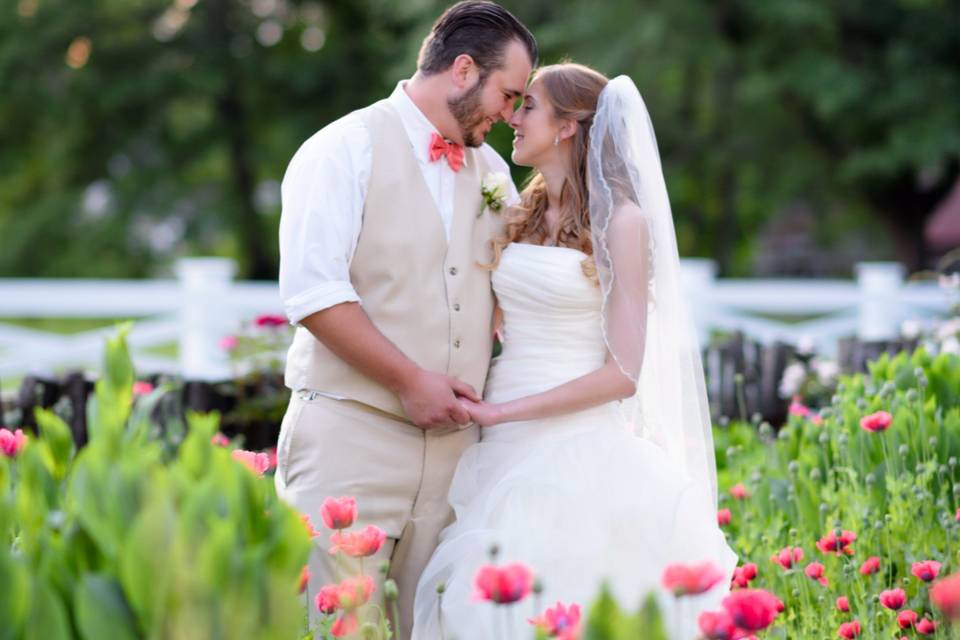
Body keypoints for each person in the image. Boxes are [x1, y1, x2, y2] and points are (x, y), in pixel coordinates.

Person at [411, 63, 738, 640]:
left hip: (570, 444)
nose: (512, 116)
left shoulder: (625, 224)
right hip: (496, 445)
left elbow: (623, 375)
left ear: (568, 126)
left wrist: (502, 411)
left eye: (529, 106)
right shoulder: (519, 211)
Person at [273, 2, 536, 638]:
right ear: (463, 70)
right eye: (509, 94)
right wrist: (409, 380)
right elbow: (313, 292)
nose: (512, 114)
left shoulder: (495, 173)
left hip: (456, 462)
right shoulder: (342, 149)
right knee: (329, 626)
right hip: (349, 441)